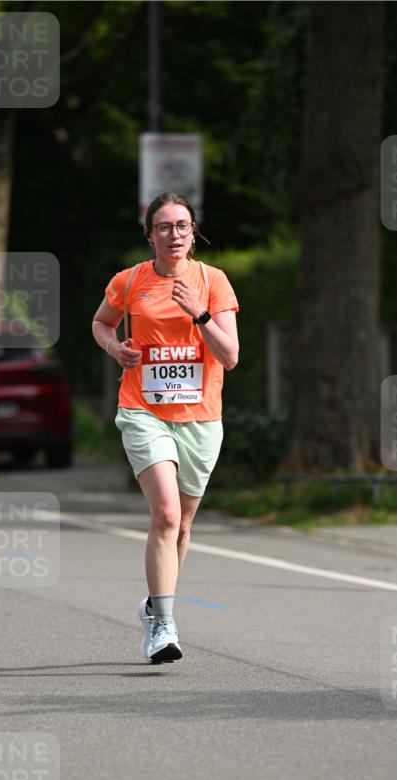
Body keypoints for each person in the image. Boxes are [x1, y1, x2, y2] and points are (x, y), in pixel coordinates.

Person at [91, 192, 239, 664]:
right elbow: (101, 323)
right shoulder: (130, 280)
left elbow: (230, 357)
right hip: (143, 409)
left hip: (201, 418)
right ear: (149, 234)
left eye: (182, 226)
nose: (173, 235)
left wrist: (199, 312)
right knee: (167, 516)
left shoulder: (213, 282)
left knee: (183, 526)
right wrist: (116, 350)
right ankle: (164, 627)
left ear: (193, 232)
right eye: (164, 227)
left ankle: (155, 604)